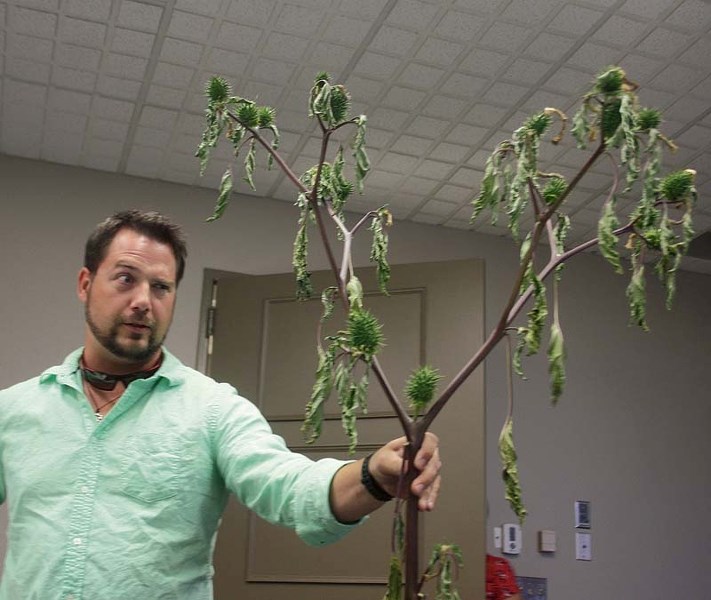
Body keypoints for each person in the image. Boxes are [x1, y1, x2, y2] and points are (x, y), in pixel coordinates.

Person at [0, 210, 441, 599]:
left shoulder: (213, 409)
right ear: (85, 283)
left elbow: (288, 485)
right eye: (125, 279)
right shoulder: (14, 410)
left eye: (161, 287)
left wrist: (374, 477)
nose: (142, 301)